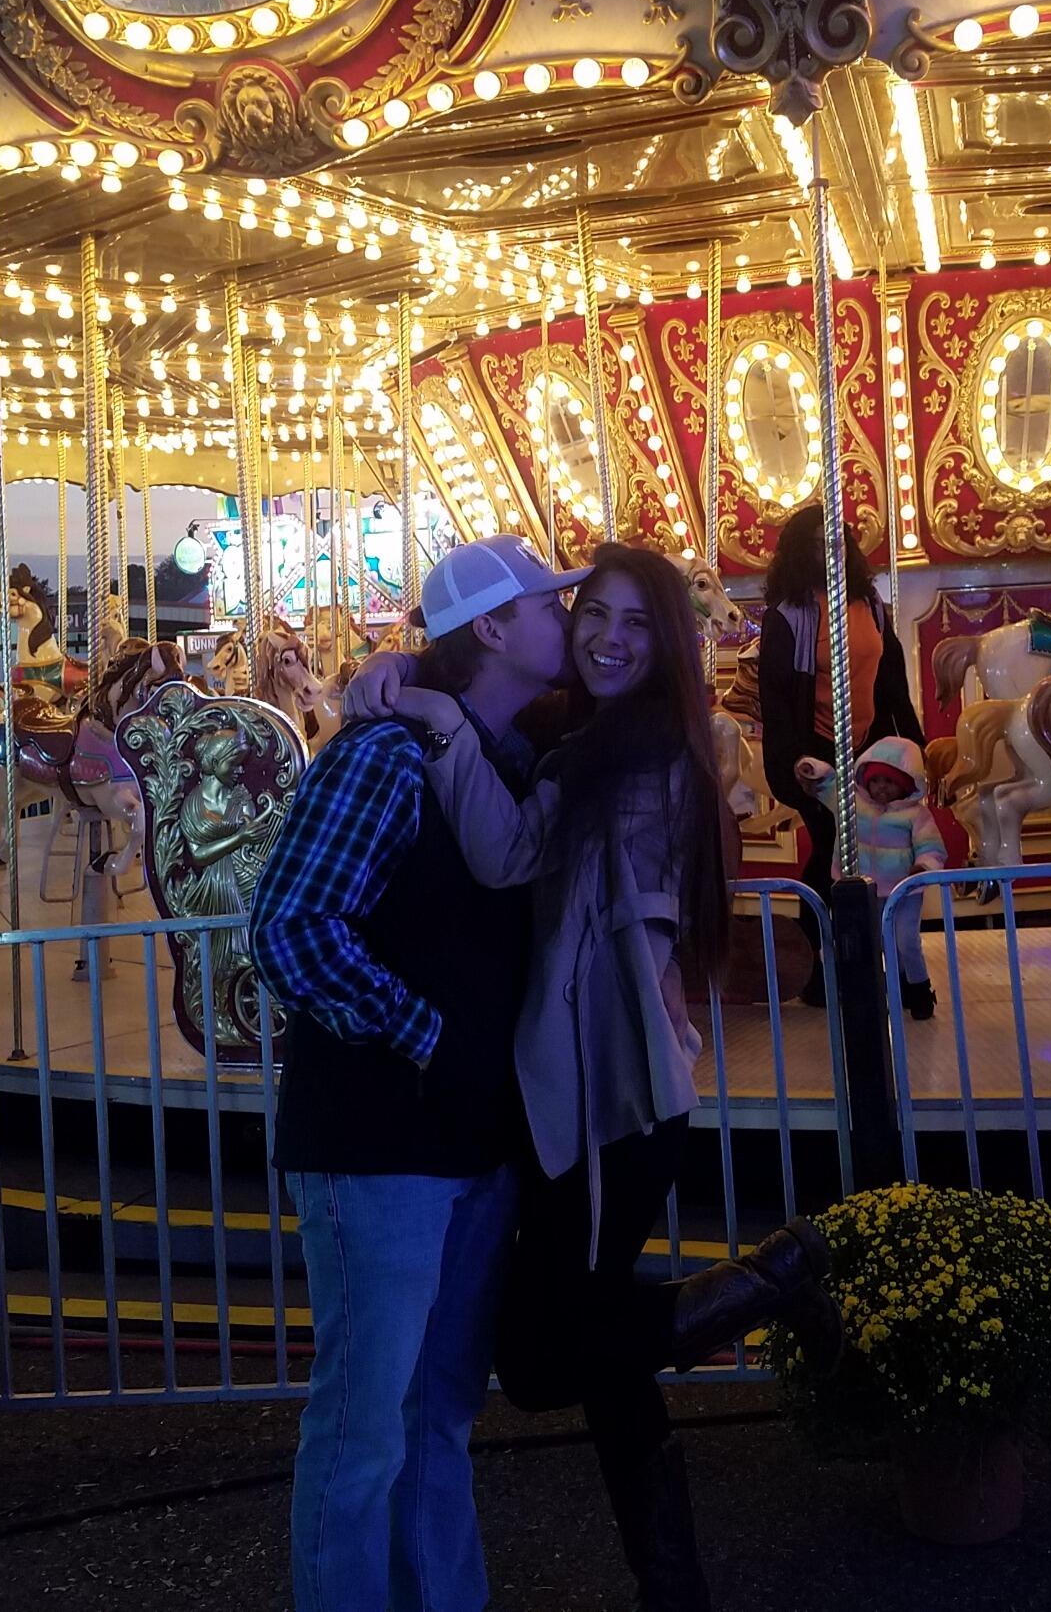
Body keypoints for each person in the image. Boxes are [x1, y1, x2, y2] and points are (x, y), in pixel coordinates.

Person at [348, 543, 838, 1609]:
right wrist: (399, 684)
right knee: (605, 1355)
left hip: (608, 1091)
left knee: (538, 1360)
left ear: (671, 638)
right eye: (592, 616)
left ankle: (774, 1277)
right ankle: (673, 1586)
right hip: (583, 1087)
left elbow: (512, 858)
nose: (607, 637)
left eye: (633, 621)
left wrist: (431, 724)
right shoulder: (593, 740)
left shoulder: (641, 750)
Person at [245, 534, 577, 1612]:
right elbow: (289, 926)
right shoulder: (381, 757)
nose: (563, 622)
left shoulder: (497, 748)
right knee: (363, 1424)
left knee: (435, 1413)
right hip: (378, 1142)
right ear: (493, 628)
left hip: (471, 1138)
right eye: (546, 606)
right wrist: (429, 1037)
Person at [756, 504, 923, 992]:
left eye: (835, 542)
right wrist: (794, 760)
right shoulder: (789, 616)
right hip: (811, 747)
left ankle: (851, 956)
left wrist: (914, 741)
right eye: (816, 545)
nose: (828, 553)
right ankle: (821, 959)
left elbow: (892, 680)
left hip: (866, 746)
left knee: (867, 848)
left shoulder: (869, 605)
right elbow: (778, 698)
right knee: (833, 842)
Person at [796, 735, 946, 1020]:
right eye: (876, 781)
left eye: (889, 782)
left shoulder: (916, 815)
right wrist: (811, 768)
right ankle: (877, 992)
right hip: (863, 888)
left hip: (903, 892)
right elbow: (830, 782)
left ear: (905, 783)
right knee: (869, 942)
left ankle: (919, 990)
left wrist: (924, 867)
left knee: (905, 942)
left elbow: (931, 848)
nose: (880, 788)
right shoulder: (853, 804)